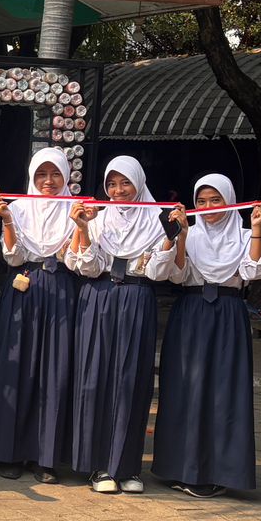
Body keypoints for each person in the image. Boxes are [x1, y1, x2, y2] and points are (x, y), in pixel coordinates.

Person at [148, 174, 261, 498]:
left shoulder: (244, 235)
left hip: (228, 315)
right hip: (190, 313)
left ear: (230, 201)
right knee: (185, 388)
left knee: (224, 391)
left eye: (216, 200)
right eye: (201, 201)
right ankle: (180, 468)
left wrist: (257, 228)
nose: (209, 207)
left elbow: (253, 272)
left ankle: (220, 472)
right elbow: (176, 275)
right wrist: (181, 236)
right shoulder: (191, 233)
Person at [67, 156, 166, 495]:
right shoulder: (96, 216)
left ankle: (128, 466)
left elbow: (159, 272)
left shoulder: (157, 219)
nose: (118, 190)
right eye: (112, 183)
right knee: (95, 378)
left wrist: (172, 237)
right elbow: (86, 267)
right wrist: (83, 228)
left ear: (139, 182)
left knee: (132, 381)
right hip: (99, 297)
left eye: (125, 183)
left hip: (138, 298)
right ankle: (97, 466)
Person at [0, 148, 79, 484]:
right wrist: (7, 220)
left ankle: (45, 457)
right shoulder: (19, 207)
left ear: (66, 176)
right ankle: (8, 452)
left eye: (55, 174)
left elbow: (77, 258)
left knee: (54, 369)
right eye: (41, 175)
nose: (48, 181)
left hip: (62, 291)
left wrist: (82, 225)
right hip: (23, 289)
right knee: (16, 366)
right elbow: (13, 256)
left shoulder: (76, 209)